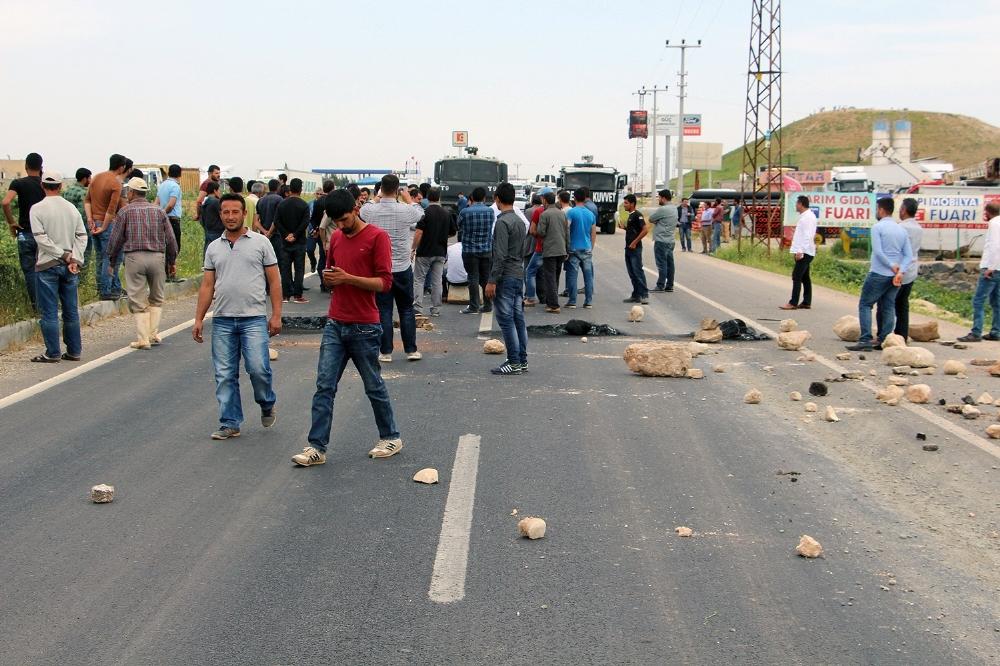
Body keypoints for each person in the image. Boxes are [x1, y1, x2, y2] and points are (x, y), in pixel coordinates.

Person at [292, 189, 402, 467]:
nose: (341, 226)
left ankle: (390, 436)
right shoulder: (337, 238)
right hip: (335, 322)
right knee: (324, 387)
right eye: (336, 221)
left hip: (365, 326)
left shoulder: (378, 237)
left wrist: (348, 278)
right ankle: (316, 447)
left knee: (373, 385)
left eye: (344, 219)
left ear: (356, 208)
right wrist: (329, 280)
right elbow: (331, 274)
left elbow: (384, 283)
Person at [193, 192, 281, 440]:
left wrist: (276, 315)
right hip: (222, 320)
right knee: (224, 373)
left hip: (253, 318)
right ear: (220, 214)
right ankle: (230, 422)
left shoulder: (261, 243)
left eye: (235, 212)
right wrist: (199, 318)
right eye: (226, 212)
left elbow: (274, 281)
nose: (230, 217)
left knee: (258, 369)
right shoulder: (213, 248)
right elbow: (207, 285)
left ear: (245, 214)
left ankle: (266, 402)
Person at [359, 174, 425, 361]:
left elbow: (364, 209)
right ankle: (411, 350)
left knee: (383, 310)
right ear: (397, 189)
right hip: (403, 266)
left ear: (380, 189)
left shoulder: (371, 210)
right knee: (406, 309)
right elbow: (420, 213)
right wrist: (408, 199)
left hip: (380, 269)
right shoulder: (405, 210)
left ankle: (385, 351)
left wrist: (377, 196)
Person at [108, 177, 178, 349]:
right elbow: (170, 239)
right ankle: (153, 334)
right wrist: (172, 260)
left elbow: (115, 239)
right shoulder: (159, 211)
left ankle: (143, 339)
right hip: (157, 257)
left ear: (131, 192)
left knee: (137, 299)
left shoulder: (125, 212)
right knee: (157, 297)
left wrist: (111, 260)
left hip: (134, 257)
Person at [28, 171, 88, 363]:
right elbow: (82, 236)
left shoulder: (37, 209)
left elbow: (41, 238)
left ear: (42, 186)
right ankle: (74, 351)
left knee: (49, 312)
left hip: (47, 264)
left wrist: (62, 255)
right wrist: (75, 259)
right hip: (70, 266)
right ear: (61, 186)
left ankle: (52, 353)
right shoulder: (71, 209)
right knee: (70, 310)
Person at [846, 197, 913, 352]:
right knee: (889, 306)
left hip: (879, 272)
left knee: (865, 304)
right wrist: (900, 271)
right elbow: (908, 255)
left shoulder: (877, 227)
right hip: (895, 276)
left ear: (881, 210)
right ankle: (884, 339)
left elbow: (878, 251)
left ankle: (865, 340)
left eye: (877, 209)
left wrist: (891, 266)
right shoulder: (901, 229)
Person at [485, 182, 528, 375]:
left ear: (497, 199)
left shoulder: (502, 222)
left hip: (506, 276)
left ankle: (513, 362)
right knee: (518, 319)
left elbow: (500, 255)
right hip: (518, 273)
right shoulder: (519, 221)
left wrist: (492, 280)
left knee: (506, 320)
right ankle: (522, 361)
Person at [3, 152, 46, 308]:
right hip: (44, 234)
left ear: (26, 166)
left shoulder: (18, 183)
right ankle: (49, 304)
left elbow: (6, 202)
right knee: (46, 270)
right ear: (41, 167)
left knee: (30, 271)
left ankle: (37, 307)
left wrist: (11, 222)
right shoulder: (45, 184)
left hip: (25, 233)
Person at [85, 153, 128, 300]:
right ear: (122, 167)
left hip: (94, 222)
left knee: (100, 258)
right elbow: (111, 208)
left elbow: (87, 201)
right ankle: (107, 290)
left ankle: (106, 288)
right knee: (111, 259)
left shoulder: (96, 177)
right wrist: (104, 226)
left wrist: (90, 219)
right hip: (106, 224)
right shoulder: (115, 183)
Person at [958, 202, 1000, 343]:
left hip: (991, 268)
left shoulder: (994, 224)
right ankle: (996, 331)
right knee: (996, 302)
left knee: (978, 301)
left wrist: (991, 267)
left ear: (987, 212)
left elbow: (995, 246)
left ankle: (976, 332)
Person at [412, 187, 456, 317]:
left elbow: (419, 232)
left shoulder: (424, 213)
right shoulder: (446, 213)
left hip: (425, 251)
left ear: (427, 198)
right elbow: (452, 232)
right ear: (439, 197)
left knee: (419, 279)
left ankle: (418, 307)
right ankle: (436, 309)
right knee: (436, 281)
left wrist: (413, 247)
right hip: (440, 252)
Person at [457, 186, 495, 315]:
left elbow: (459, 226)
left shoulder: (464, 212)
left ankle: (474, 306)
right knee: (485, 277)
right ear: (484, 198)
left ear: (471, 198)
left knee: (472, 277)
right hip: (486, 249)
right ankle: (488, 304)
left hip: (469, 249)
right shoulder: (490, 211)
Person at [274, 177, 311, 303]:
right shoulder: (304, 205)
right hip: (299, 241)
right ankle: (298, 295)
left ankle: (285, 295)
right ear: (300, 189)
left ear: (290, 189)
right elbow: (305, 222)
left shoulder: (282, 204)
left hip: (284, 242)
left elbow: (277, 221)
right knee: (299, 268)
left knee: (285, 269)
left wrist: (286, 234)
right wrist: (295, 235)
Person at [891, 197, 923, 340]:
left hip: (900, 269)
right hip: (912, 269)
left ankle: (885, 334)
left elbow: (896, 250)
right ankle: (901, 334)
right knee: (903, 304)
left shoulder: (900, 227)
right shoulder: (918, 228)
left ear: (903, 210)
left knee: (888, 303)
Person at [781, 195, 818, 310]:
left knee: (796, 276)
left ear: (801, 204)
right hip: (806, 251)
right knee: (805, 277)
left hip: (804, 251)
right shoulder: (808, 216)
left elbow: (807, 236)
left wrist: (800, 251)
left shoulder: (807, 218)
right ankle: (807, 302)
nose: (795, 206)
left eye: (797, 203)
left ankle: (793, 302)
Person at [535, 191, 569, 313]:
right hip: (561, 250)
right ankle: (551, 301)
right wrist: (567, 249)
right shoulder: (562, 214)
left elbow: (541, 232)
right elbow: (567, 233)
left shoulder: (545, 214)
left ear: (544, 200)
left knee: (549, 277)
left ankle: (554, 305)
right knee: (555, 276)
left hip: (550, 250)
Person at [565, 188, 596, 309]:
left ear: (574, 198)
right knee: (588, 276)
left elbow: (566, 230)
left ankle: (572, 301)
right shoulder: (591, 214)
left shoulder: (571, 213)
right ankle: (588, 302)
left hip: (573, 248)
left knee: (573, 275)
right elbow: (593, 233)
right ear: (585, 199)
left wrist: (566, 247)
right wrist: (591, 247)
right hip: (587, 248)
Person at [157, 164, 184, 282]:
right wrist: (164, 213)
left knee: (165, 246)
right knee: (174, 247)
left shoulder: (162, 185)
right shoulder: (175, 186)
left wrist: (157, 215)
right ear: (180, 174)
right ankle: (170, 274)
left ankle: (165, 273)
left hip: (162, 220)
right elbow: (171, 204)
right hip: (172, 219)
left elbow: (156, 202)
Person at [648, 188, 678, 292]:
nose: (658, 200)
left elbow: (651, 218)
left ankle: (660, 285)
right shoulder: (674, 208)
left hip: (661, 240)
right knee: (670, 264)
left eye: (659, 198)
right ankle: (669, 285)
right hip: (670, 240)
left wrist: (658, 222)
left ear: (663, 198)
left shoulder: (663, 209)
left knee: (661, 264)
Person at [62, 167, 92, 266]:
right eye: (89, 178)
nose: (90, 180)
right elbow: (82, 213)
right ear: (84, 179)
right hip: (80, 229)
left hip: (67, 228)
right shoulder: (83, 193)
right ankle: (82, 275)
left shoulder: (68, 190)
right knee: (84, 254)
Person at [622, 194, 649, 304]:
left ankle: (644, 295)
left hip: (635, 249)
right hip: (628, 249)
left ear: (632, 204)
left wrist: (634, 242)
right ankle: (636, 295)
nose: (624, 205)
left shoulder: (638, 215)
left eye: (626, 203)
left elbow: (645, 230)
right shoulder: (630, 215)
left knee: (638, 271)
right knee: (632, 273)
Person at [254, 178, 283, 258]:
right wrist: (270, 232)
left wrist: (265, 232)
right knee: (278, 261)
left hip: (263, 236)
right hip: (276, 235)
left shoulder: (260, 200)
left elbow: (256, 221)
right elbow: (277, 219)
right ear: (278, 188)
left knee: (265, 259)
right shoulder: (279, 199)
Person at [201, 181, 224, 251]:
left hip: (208, 231)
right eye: (219, 190)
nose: (220, 192)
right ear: (215, 191)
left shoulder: (205, 202)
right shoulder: (216, 202)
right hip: (217, 232)